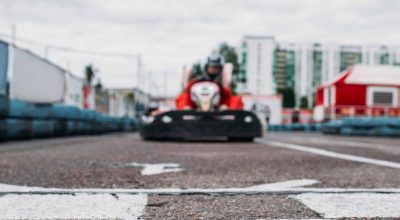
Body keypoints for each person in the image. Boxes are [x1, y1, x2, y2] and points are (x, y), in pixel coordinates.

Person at [176, 54, 242, 110]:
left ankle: (234, 116)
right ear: (206, 68)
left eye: (216, 68)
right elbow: (186, 91)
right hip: (196, 108)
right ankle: (183, 112)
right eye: (211, 67)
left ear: (220, 69)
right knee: (183, 96)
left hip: (218, 109)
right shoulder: (196, 82)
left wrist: (222, 87)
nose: (213, 69)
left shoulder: (222, 84)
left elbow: (228, 97)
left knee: (236, 99)